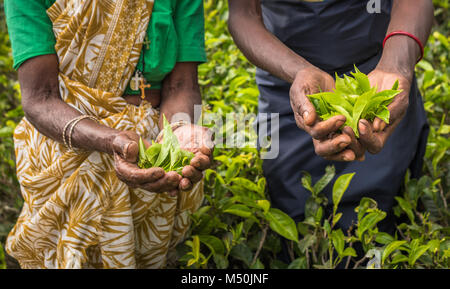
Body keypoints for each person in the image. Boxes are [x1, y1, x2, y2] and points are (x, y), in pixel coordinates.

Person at [4, 0, 213, 268]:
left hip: (152, 144)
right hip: (66, 145)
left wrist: (180, 132)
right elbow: (41, 98)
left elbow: (182, 85)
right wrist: (112, 140)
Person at [228, 0, 433, 258]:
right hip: (288, 81)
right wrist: (299, 71)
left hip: (380, 73)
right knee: (299, 230)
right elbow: (242, 15)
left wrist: (396, 65)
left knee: (390, 220)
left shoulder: (388, 69)